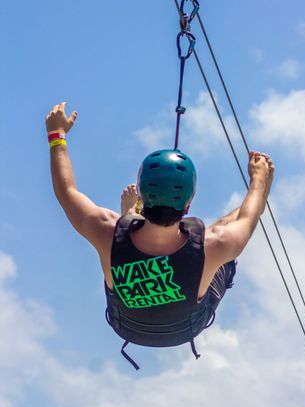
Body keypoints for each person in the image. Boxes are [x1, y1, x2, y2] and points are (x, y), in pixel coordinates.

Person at [46, 102, 274, 369]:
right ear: (189, 204)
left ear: (143, 194)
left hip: (127, 325)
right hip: (187, 326)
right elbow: (249, 216)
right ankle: (133, 217)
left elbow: (67, 193)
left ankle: (131, 216)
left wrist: (56, 135)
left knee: (121, 236)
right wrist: (260, 183)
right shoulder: (213, 244)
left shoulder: (106, 230)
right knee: (228, 230)